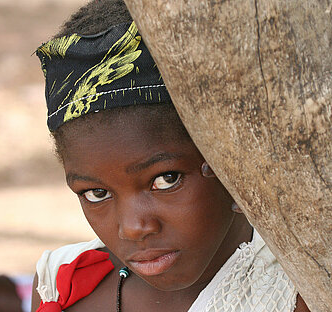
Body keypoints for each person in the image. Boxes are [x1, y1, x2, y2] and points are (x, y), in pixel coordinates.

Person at [31, 0, 310, 311]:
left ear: (232, 161)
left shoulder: (297, 293)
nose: (134, 227)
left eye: (166, 179)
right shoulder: (61, 283)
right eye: (97, 193)